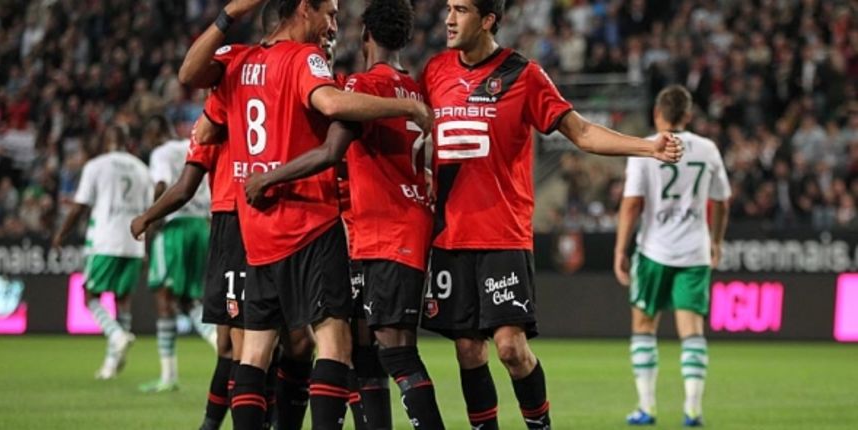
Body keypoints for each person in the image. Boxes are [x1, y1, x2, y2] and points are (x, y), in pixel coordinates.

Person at [419, 1, 682, 429]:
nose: (448, 19)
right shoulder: (434, 71)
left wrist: (647, 146)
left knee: (510, 349)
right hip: (449, 236)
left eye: (461, 10)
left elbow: (581, 132)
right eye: (449, 8)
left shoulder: (523, 75)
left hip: (502, 235)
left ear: (487, 20)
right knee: (467, 350)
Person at [179, 1, 433, 428]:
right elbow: (332, 104)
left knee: (255, 352)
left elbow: (187, 74)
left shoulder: (238, 61)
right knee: (335, 344)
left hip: (255, 231)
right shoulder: (304, 58)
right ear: (303, 9)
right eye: (329, 13)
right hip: (309, 223)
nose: (333, 25)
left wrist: (227, 15)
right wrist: (407, 108)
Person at [614, 85, 730, 428]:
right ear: (688, 116)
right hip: (694, 251)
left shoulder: (645, 149)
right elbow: (723, 201)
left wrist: (621, 248)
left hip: (653, 250)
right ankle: (692, 410)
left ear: (656, 114)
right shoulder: (708, 149)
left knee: (644, 326)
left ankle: (646, 407)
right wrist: (717, 241)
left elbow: (632, 203)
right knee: (692, 331)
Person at [52, 125, 152, 380]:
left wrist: (62, 233)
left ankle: (116, 335)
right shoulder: (142, 169)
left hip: (106, 239)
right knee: (123, 300)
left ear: (105, 141)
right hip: (133, 242)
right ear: (126, 143)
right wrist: (145, 247)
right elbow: (149, 212)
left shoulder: (97, 165)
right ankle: (111, 365)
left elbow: (79, 207)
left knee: (89, 295)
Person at [137, 115, 217, 394]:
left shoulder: (161, 152)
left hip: (175, 228)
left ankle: (168, 375)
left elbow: (161, 185)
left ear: (154, 133)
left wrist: (150, 219)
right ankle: (226, 351)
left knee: (165, 298)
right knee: (189, 300)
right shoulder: (193, 144)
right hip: (201, 226)